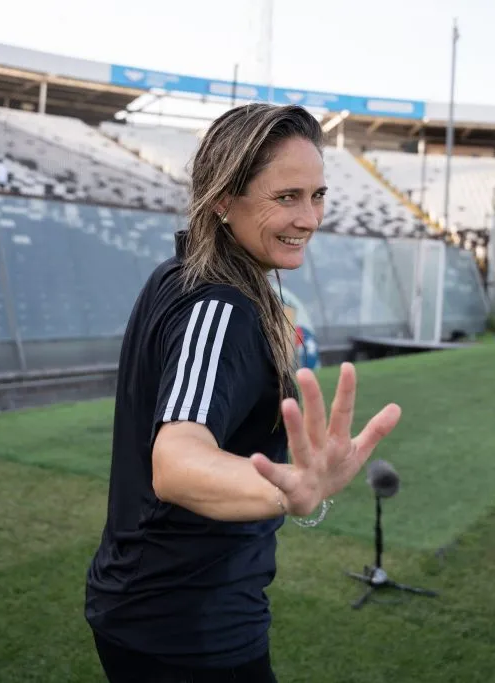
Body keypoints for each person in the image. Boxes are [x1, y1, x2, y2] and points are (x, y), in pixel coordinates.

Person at [84, 103, 402, 682]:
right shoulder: (220, 307)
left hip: (149, 610)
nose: (309, 217)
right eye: (286, 197)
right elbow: (177, 461)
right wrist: (294, 489)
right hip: (187, 625)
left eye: (318, 195)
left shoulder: (180, 271)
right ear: (225, 200)